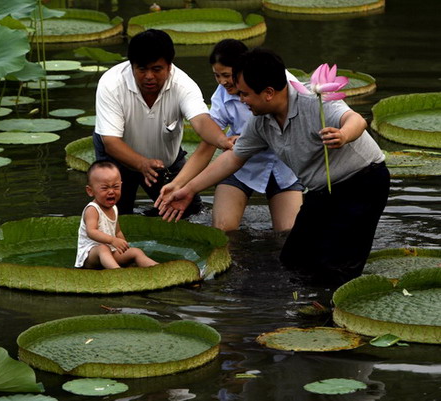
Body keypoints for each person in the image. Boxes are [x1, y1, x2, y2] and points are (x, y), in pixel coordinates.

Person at [156, 47, 390, 285]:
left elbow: (356, 120)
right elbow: (233, 158)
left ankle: (333, 312)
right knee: (293, 259)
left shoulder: (313, 99)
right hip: (322, 191)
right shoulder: (260, 122)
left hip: (363, 182)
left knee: (337, 265)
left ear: (268, 93)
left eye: (245, 94)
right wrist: (189, 189)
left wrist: (342, 135)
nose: (241, 100)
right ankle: (303, 309)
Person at [93, 29, 232, 216]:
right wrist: (142, 163)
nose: (149, 76)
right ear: (132, 66)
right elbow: (110, 142)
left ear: (169, 66)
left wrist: (223, 141)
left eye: (156, 69)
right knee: (115, 214)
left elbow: (200, 122)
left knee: (189, 211)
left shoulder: (184, 85)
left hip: (163, 162)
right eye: (142, 69)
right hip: (117, 157)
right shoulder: (111, 84)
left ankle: (150, 217)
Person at [207, 39, 303, 231]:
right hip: (241, 162)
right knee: (223, 229)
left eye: (226, 75)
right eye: (217, 76)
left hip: (284, 164)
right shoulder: (223, 93)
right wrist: (183, 187)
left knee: (289, 232)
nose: (222, 82)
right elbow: (208, 140)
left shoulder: (288, 86)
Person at [75, 161, 157, 269]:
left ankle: (158, 269)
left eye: (116, 187)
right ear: (90, 191)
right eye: (105, 188)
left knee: (135, 252)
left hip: (110, 252)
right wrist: (113, 240)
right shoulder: (92, 209)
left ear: (121, 185)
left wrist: (123, 246)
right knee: (103, 248)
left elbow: (117, 231)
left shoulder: (114, 208)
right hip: (91, 255)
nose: (111, 191)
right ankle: (118, 272)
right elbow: (91, 231)